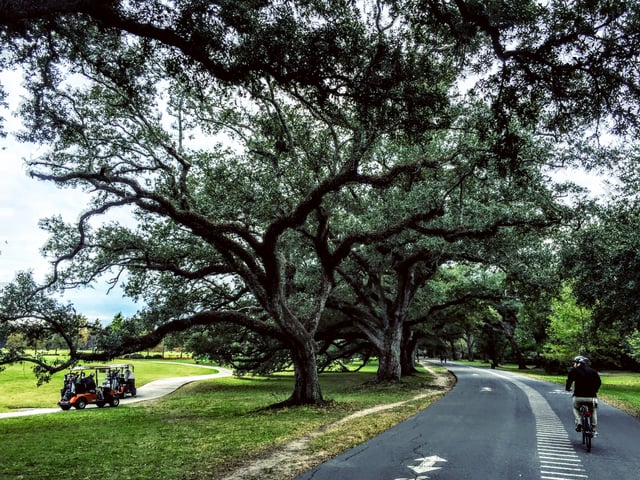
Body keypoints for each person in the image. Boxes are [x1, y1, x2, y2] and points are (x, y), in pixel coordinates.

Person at [565, 355, 602, 435]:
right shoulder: (593, 371)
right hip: (591, 397)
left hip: (578, 397)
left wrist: (568, 388)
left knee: (575, 408)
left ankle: (579, 422)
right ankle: (594, 428)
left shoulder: (574, 371)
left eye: (574, 363)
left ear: (578, 363)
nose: (574, 364)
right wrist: (595, 390)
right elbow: (598, 382)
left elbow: (569, 381)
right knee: (593, 410)